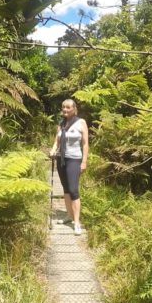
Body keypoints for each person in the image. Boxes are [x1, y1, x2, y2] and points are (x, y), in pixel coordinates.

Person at [49, 98, 89, 235]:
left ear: (74, 109)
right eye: (63, 107)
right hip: (61, 159)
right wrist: (53, 150)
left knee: (73, 190)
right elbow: (57, 141)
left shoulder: (81, 122)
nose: (65, 110)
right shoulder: (61, 123)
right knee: (66, 189)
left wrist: (84, 162)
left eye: (68, 107)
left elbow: (85, 144)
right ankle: (69, 216)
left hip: (74, 159)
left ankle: (77, 222)